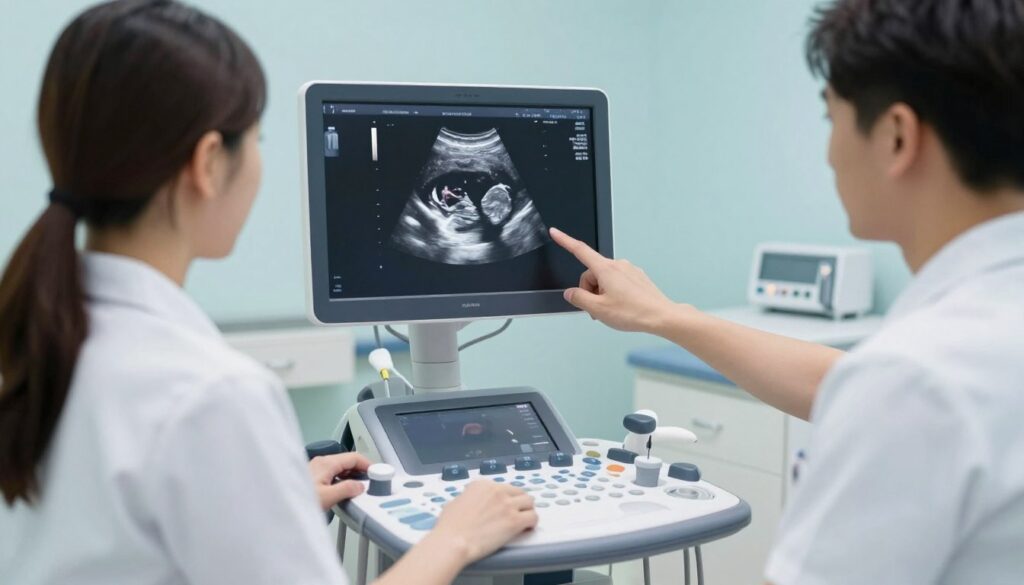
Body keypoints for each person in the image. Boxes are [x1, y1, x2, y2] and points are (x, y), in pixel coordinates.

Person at [0, 2, 536, 584]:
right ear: (209, 163)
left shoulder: (35, 343)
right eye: (255, 139)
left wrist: (260, 501)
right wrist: (456, 537)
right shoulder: (212, 394)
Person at [551, 0, 1024, 583]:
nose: (829, 154)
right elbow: (841, 384)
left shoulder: (914, 380)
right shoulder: (962, 350)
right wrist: (668, 317)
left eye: (831, 119)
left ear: (897, 137)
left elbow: (895, 391)